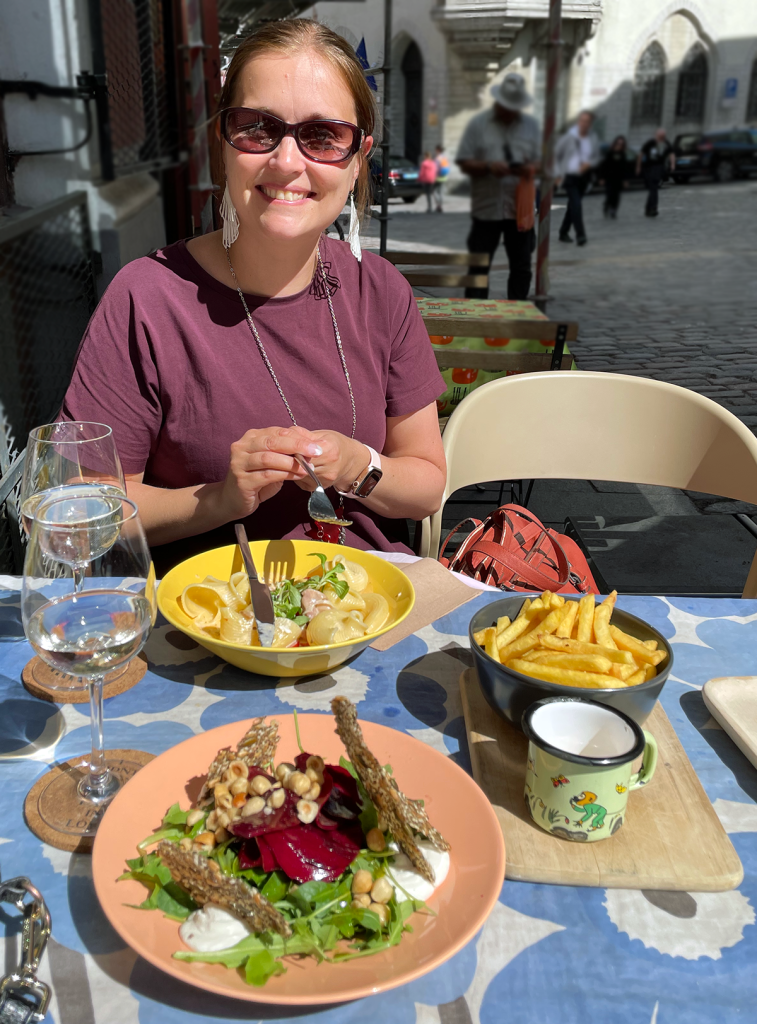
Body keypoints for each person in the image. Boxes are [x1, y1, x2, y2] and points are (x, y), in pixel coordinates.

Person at [59, 19, 447, 575]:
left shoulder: (381, 290)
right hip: (205, 608)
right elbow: (86, 509)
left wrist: (356, 465)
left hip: (370, 599)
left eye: (323, 136)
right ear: (223, 142)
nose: (287, 161)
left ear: (358, 158)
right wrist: (217, 499)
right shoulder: (145, 298)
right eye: (257, 129)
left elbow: (427, 484)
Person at [456, 72, 541, 300]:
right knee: (478, 268)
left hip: (519, 210)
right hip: (487, 209)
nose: (511, 112)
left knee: (522, 267)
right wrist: (488, 166)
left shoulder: (531, 126)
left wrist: (530, 168)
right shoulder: (479, 124)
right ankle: (476, 314)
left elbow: (542, 162)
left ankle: (517, 312)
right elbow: (464, 161)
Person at [554, 110, 601, 246]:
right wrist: (557, 174)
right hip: (569, 176)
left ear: (590, 124)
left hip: (584, 177)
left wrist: (589, 164)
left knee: (573, 206)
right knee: (576, 204)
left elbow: (596, 157)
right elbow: (555, 155)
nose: (584, 124)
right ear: (578, 121)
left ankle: (563, 232)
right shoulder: (568, 138)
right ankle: (581, 235)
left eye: (588, 121)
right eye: (582, 120)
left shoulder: (593, 138)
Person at [636, 127, 676, 217]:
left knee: (653, 188)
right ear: (656, 135)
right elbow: (641, 154)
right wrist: (638, 167)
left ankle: (651, 208)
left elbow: (671, 154)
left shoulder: (666, 143)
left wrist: (673, 164)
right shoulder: (650, 143)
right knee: (653, 188)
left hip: (659, 168)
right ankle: (651, 208)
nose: (662, 137)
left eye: (663, 136)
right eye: (660, 136)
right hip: (649, 168)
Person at [599, 135, 630, 219]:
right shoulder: (610, 153)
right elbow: (604, 166)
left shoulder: (622, 154)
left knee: (616, 196)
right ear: (615, 144)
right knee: (609, 194)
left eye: (621, 144)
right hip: (609, 178)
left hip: (618, 179)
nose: (619, 146)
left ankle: (613, 210)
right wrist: (602, 177)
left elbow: (624, 168)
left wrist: (625, 180)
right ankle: (606, 206)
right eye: (618, 144)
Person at [433, 144, 449, 213]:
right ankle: (440, 206)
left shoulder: (437, 158)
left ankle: (438, 206)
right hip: (444, 177)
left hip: (437, 177)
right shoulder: (444, 157)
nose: (435, 150)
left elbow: (435, 169)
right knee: (441, 192)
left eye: (436, 149)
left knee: (434, 191)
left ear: (438, 150)